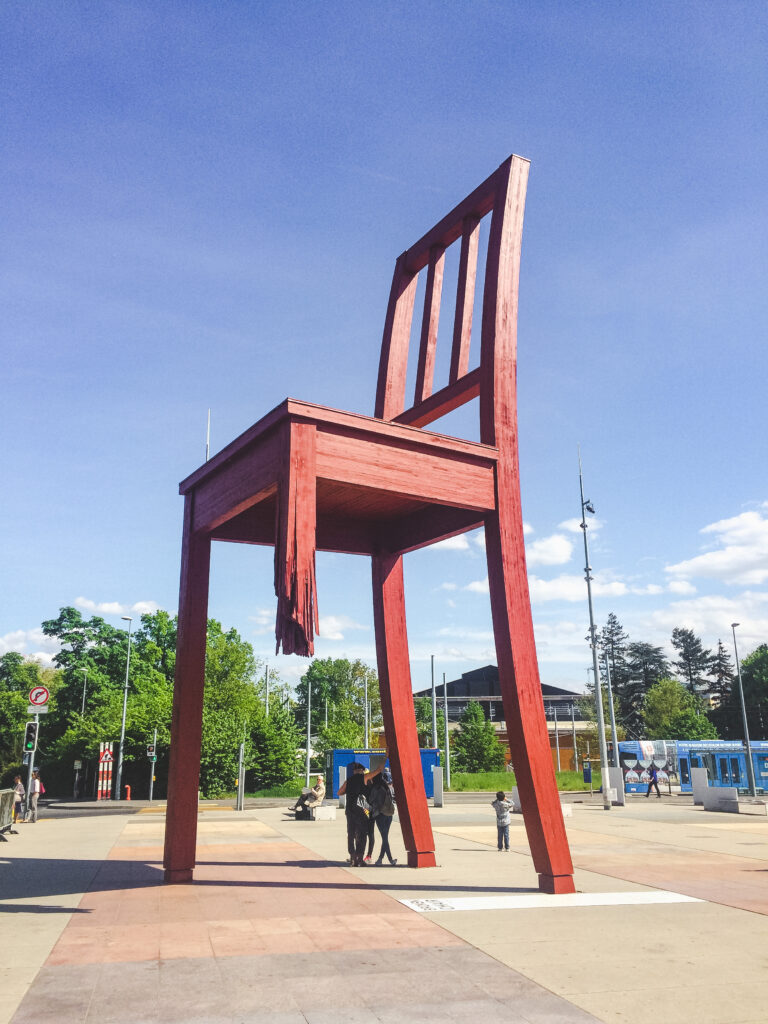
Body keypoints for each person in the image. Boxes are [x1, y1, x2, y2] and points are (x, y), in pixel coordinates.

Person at [338, 762, 382, 866]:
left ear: (354, 771)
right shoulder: (364, 777)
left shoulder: (348, 781)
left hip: (349, 811)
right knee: (362, 835)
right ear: (362, 771)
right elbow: (378, 770)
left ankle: (352, 857)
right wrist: (385, 757)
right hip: (360, 811)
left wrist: (349, 792)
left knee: (351, 834)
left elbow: (339, 792)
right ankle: (360, 858)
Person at [370, 767, 397, 866]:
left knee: (384, 838)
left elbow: (371, 801)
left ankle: (389, 860)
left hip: (379, 815)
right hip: (389, 814)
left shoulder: (375, 788)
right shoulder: (387, 787)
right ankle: (381, 859)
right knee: (385, 837)